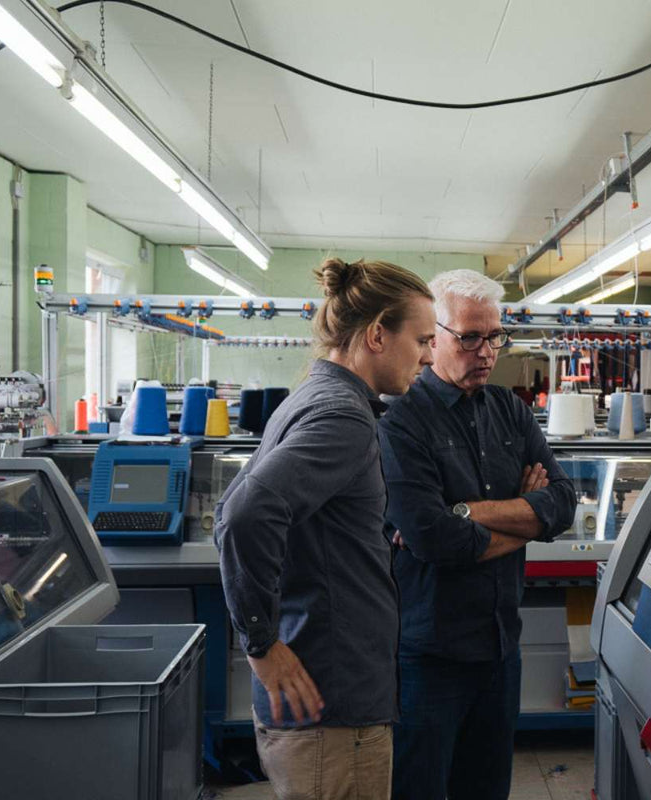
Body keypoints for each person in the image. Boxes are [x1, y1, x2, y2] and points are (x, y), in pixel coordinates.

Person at [215, 258, 436, 800]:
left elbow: (240, 509)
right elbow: (243, 516)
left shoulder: (312, 396)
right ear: (377, 335)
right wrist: (261, 643)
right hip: (332, 711)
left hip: (326, 695)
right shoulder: (341, 416)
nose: (430, 357)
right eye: (423, 340)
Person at [378, 269, 577, 800]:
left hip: (499, 650)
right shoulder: (400, 424)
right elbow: (433, 538)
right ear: (432, 335)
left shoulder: (511, 411)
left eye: (495, 336)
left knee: (486, 790)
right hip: (428, 657)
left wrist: (467, 510)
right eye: (469, 337)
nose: (486, 351)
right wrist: (523, 518)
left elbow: (561, 505)